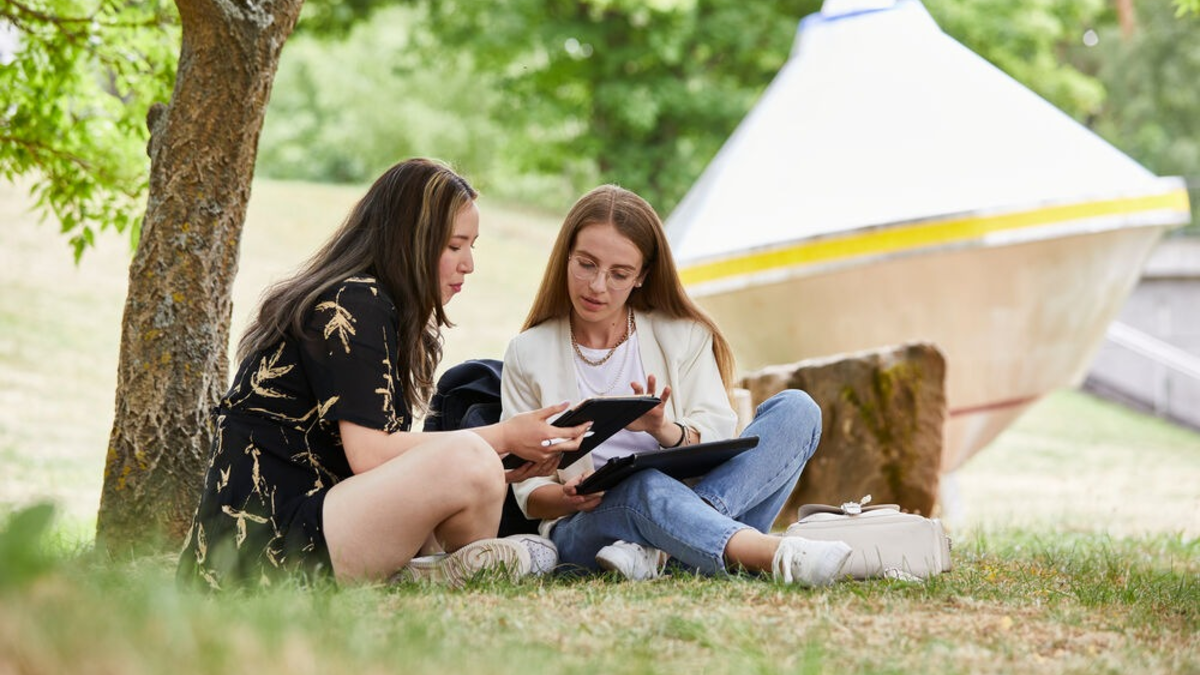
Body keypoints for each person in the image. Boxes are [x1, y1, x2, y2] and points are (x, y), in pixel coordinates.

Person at [176, 158, 586, 590]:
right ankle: (441, 574)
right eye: (453, 246)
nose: (468, 264)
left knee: (477, 465)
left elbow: (374, 463)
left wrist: (491, 469)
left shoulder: (374, 304)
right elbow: (370, 454)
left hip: (318, 518)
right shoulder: (353, 303)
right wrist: (502, 438)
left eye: (472, 246)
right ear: (409, 241)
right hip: (269, 545)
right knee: (470, 454)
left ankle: (444, 572)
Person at [500, 185, 852, 586]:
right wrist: (568, 497)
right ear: (565, 257)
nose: (598, 286)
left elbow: (721, 436)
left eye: (619, 274)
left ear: (642, 277)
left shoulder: (682, 334)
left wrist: (661, 429)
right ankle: (774, 554)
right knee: (642, 484)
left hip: (680, 506)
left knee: (797, 410)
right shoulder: (528, 352)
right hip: (588, 528)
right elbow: (528, 491)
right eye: (586, 265)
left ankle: (663, 550)